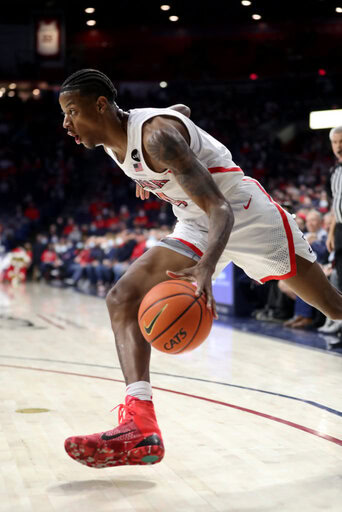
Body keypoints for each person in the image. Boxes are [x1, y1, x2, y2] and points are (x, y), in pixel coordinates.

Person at [59, 69, 342, 469]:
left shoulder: (155, 136)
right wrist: (154, 170)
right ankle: (140, 427)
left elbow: (220, 208)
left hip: (245, 217)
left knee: (332, 307)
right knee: (122, 297)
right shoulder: (119, 141)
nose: (66, 123)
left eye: (72, 111)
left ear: (101, 105)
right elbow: (181, 110)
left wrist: (206, 268)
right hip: (195, 222)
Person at [322, 126, 342, 334]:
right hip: (340, 230)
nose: (338, 146)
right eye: (335, 142)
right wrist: (330, 233)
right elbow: (336, 205)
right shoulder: (334, 172)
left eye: (341, 141)